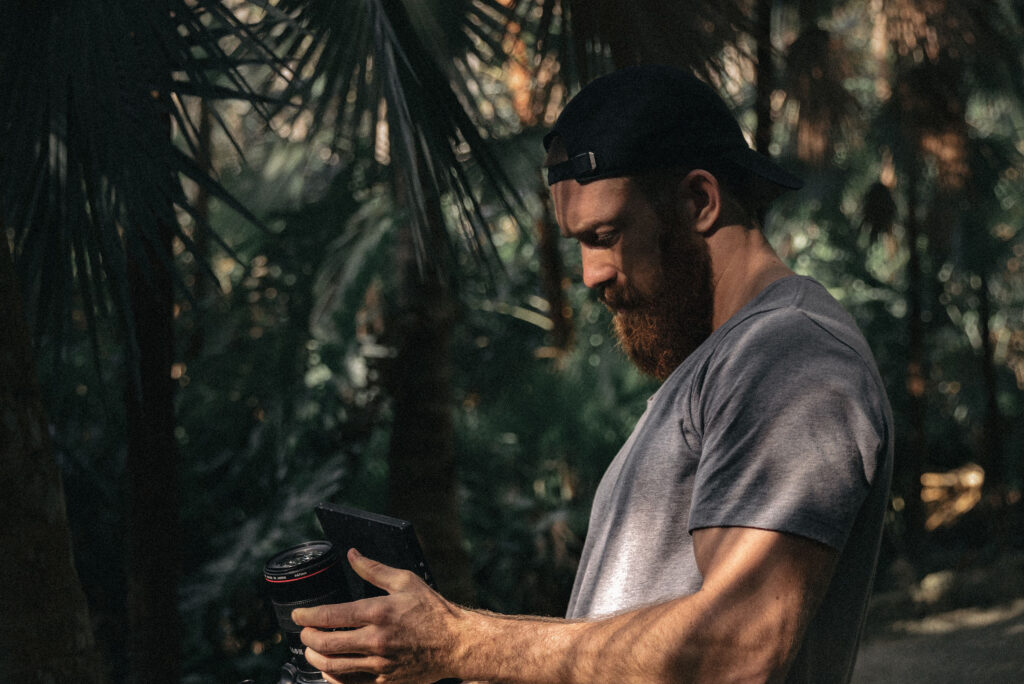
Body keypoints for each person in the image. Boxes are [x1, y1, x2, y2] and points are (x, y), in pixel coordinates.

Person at [293, 64, 894, 683]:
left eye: (605, 235)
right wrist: (419, 658)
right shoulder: (721, 365)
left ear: (699, 202)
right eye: (579, 243)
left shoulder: (790, 353)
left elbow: (740, 649)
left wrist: (459, 642)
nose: (590, 275)